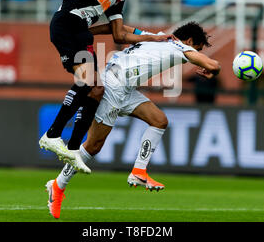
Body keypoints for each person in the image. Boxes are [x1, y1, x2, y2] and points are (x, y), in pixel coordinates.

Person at [45, 21, 221, 219]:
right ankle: (58, 186)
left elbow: (120, 28)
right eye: (196, 49)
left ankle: (138, 170)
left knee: (159, 120)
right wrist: (214, 70)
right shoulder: (178, 46)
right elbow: (213, 64)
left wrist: (86, 31)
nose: (194, 56)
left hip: (125, 89)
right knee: (93, 146)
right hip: (113, 88)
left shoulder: (154, 36)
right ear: (189, 41)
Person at [38, 0, 175, 174]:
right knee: (88, 80)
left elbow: (119, 34)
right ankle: (52, 134)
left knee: (97, 89)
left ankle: (71, 149)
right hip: (67, 24)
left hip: (81, 32)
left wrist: (152, 37)